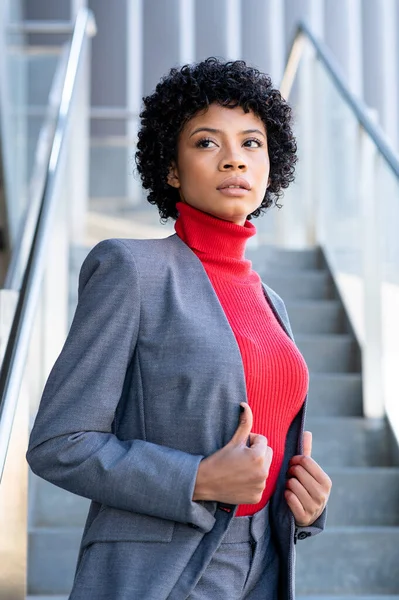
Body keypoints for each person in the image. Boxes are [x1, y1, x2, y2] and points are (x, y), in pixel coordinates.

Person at [27, 57, 332, 600]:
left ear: (271, 164)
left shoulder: (272, 303)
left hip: (265, 566)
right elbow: (60, 442)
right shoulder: (130, 270)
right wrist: (196, 480)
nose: (234, 159)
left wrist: (304, 504)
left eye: (252, 144)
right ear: (171, 168)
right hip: (162, 573)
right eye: (207, 142)